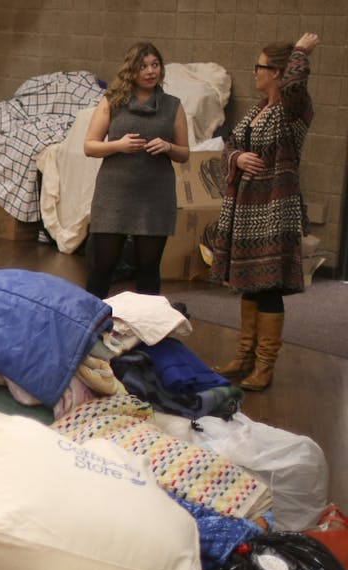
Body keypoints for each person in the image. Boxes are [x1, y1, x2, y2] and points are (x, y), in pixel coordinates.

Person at [207, 32, 320, 391]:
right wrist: (237, 157)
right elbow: (230, 148)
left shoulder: (292, 109)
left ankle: (265, 365)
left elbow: (295, 87)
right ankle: (244, 357)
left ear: (278, 73)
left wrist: (300, 53)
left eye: (261, 66)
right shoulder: (258, 111)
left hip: (273, 208)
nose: (254, 72)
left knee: (268, 286)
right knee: (249, 286)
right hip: (246, 208)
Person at [83, 42, 190, 299]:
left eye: (155, 65)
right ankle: (88, 324)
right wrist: (118, 145)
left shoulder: (173, 105)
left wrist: (168, 146)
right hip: (114, 195)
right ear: (131, 70)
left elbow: (185, 153)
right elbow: (89, 146)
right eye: (143, 66)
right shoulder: (112, 101)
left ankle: (147, 332)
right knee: (102, 266)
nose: (151, 71)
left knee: (148, 269)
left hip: (155, 196)